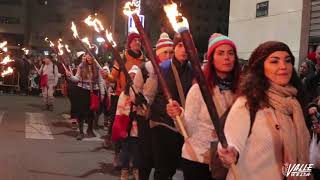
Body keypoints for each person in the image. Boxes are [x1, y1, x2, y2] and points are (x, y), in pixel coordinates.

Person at [217, 41, 310, 180]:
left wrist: (302, 176)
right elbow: (232, 144)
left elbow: (300, 155)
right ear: (261, 68)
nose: (283, 66)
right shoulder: (248, 103)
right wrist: (229, 153)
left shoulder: (295, 104)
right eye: (274, 61)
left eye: (288, 60)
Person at [166, 33, 241, 180]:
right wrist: (178, 114)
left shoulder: (241, 91)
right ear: (211, 59)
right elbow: (187, 130)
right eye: (220, 53)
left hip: (227, 161)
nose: (226, 57)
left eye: (230, 53)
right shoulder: (199, 90)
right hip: (198, 159)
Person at [148, 33, 193, 180]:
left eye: (187, 46)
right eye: (180, 45)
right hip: (163, 123)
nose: (184, 49)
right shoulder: (162, 68)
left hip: (182, 124)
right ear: (175, 47)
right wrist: (165, 110)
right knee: (163, 168)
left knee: (173, 166)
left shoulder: (193, 70)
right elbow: (150, 96)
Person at [132, 32, 174, 180]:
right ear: (158, 53)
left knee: (162, 157)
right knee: (146, 153)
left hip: (163, 119)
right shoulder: (146, 68)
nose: (168, 55)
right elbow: (134, 90)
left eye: (171, 52)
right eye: (165, 52)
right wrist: (138, 99)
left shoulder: (174, 70)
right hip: (145, 116)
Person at [66, 52, 105, 140]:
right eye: (87, 55)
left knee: (91, 111)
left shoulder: (97, 66)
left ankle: (90, 130)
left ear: (94, 57)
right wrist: (70, 76)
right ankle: (81, 132)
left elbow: (100, 80)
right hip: (82, 90)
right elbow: (76, 78)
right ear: (86, 56)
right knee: (81, 111)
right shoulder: (81, 66)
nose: (89, 57)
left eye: (91, 55)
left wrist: (102, 93)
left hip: (94, 91)